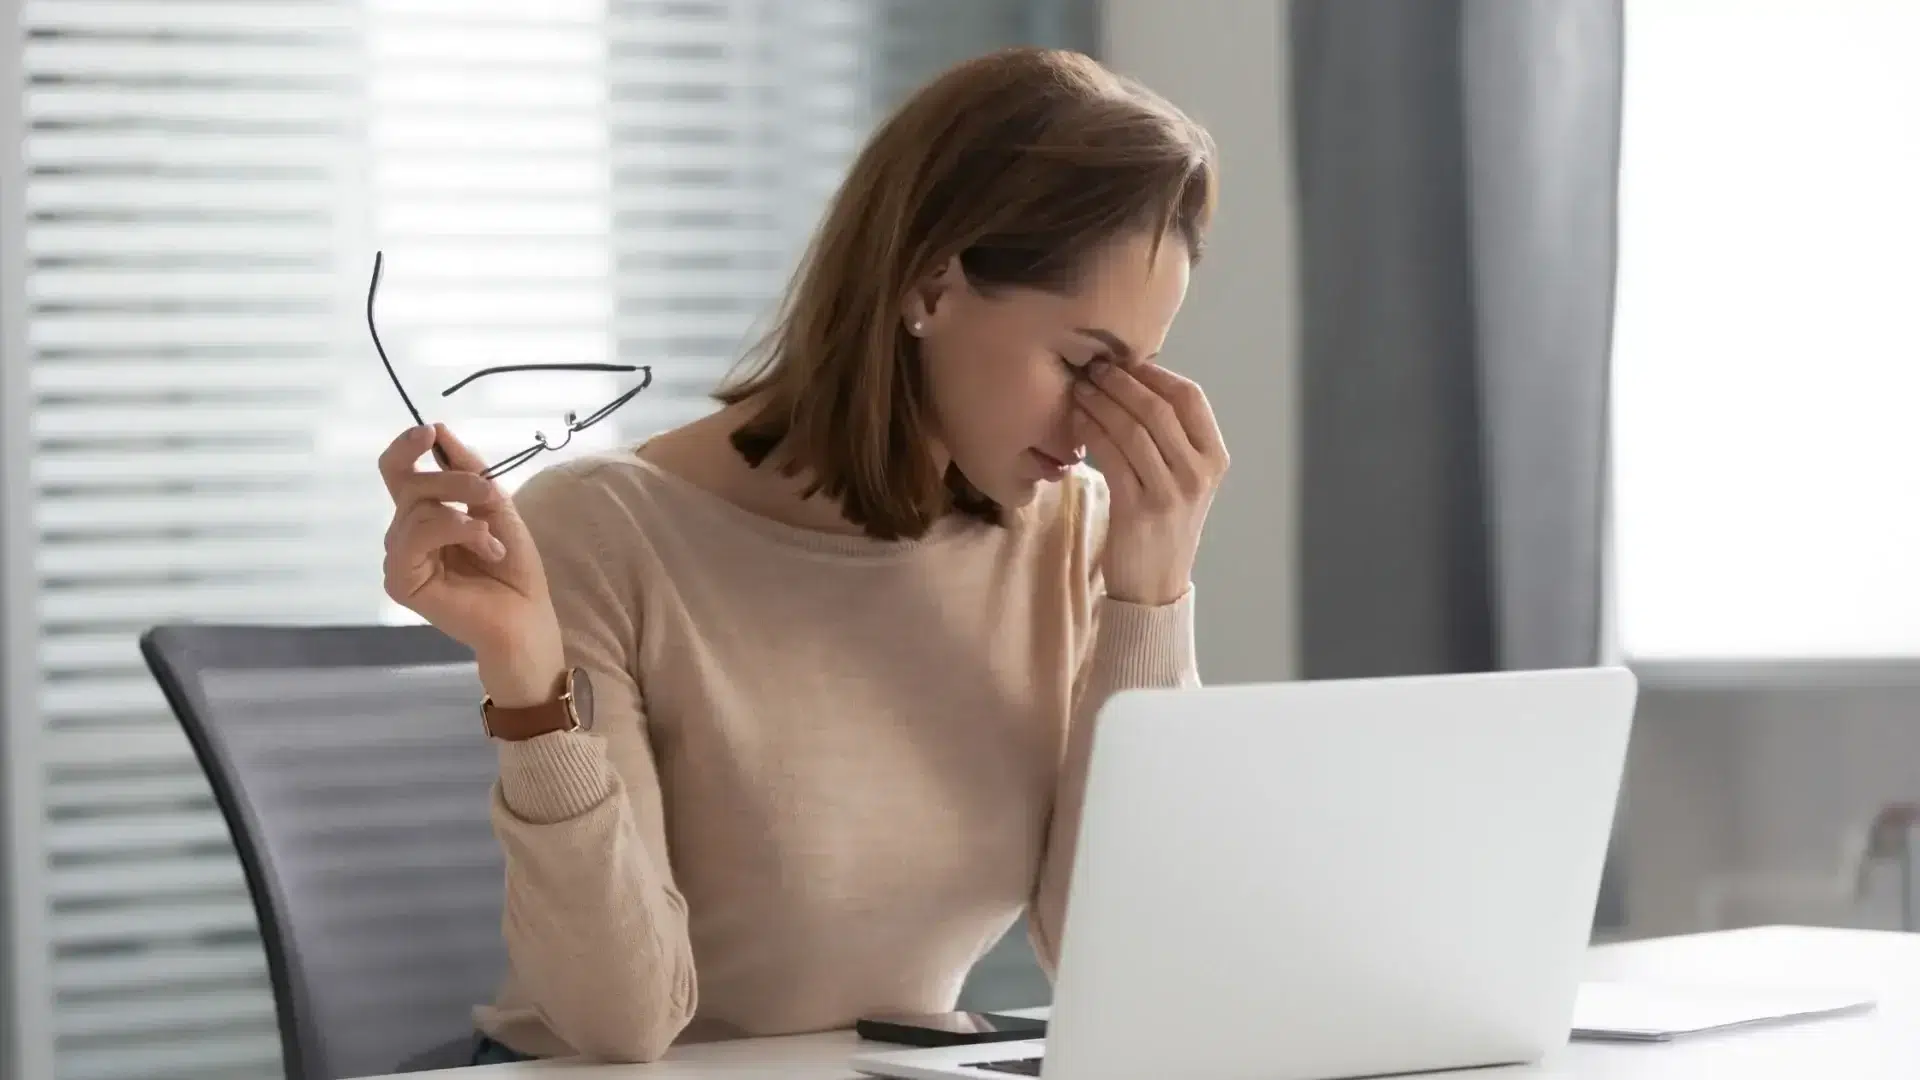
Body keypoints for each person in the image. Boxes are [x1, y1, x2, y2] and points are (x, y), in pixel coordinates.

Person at [375, 46, 1227, 1065]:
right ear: (929, 282)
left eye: (1137, 371)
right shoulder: (609, 533)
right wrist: (525, 682)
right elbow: (620, 1027)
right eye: (1085, 363)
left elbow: (1113, 958)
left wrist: (1150, 596)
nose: (1098, 424)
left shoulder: (1073, 538)